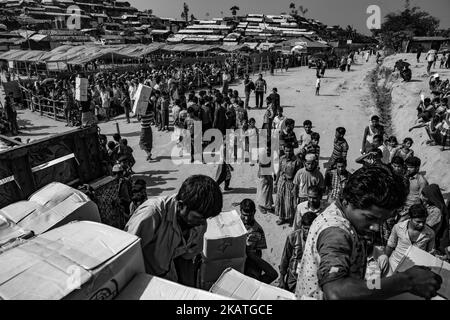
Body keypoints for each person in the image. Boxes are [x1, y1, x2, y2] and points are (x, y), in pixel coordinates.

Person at [295, 165, 442, 300]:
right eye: (370, 218)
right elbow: (336, 291)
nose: (376, 228)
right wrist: (405, 281)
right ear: (347, 201)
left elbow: (359, 284)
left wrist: (389, 283)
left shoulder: (344, 215)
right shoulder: (336, 233)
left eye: (382, 221)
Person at [125, 175, 223, 286]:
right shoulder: (151, 215)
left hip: (168, 278)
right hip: (141, 283)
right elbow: (124, 259)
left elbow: (186, 260)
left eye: (206, 218)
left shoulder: (198, 224)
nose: (203, 223)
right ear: (181, 205)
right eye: (198, 217)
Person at [385, 204, 436, 275]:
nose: (421, 224)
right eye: (418, 222)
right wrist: (384, 261)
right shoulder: (398, 227)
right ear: (410, 217)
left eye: (423, 222)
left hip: (415, 269)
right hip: (394, 264)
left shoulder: (430, 233)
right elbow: (390, 246)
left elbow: (430, 253)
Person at [240, 199, 278, 284]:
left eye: (250, 215)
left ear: (254, 212)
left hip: (250, 262)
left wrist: (249, 253)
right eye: (244, 215)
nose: (246, 218)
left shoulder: (258, 230)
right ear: (240, 211)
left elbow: (258, 252)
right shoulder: (234, 223)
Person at [279, 211, 317, 293]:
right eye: (305, 228)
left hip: (310, 280)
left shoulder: (319, 240)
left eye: (310, 229)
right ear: (301, 226)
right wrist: (281, 278)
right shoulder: (293, 237)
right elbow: (285, 258)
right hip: (293, 278)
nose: (308, 232)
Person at [274, 144, 303, 226]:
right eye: (286, 151)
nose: (288, 152)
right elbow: (279, 171)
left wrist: (295, 187)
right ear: (284, 150)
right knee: (280, 199)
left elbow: (298, 175)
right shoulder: (282, 158)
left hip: (291, 183)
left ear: (293, 150)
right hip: (281, 182)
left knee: (290, 201)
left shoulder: (297, 161)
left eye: (290, 151)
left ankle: (291, 218)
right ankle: (281, 217)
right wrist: (275, 183)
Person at [398, 156, 429, 222]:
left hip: (412, 209)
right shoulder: (404, 176)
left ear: (417, 168)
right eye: (407, 167)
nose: (408, 169)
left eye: (411, 167)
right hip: (401, 206)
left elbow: (422, 199)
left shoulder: (421, 181)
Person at [421, 184, 450, 253]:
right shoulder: (430, 206)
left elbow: (427, 228)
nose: (422, 197)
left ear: (430, 196)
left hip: (435, 244)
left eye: (424, 196)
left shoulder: (437, 211)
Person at [112, 163, 132, 228]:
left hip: (126, 202)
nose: (117, 175)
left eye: (119, 173)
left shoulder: (126, 180)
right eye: (115, 173)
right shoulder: (112, 183)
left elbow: (130, 190)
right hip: (118, 204)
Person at [256, 149, 275, 214]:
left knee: (268, 192)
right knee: (264, 192)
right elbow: (262, 167)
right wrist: (267, 178)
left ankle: (268, 205)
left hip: (267, 175)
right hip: (264, 176)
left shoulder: (269, 155)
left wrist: (273, 173)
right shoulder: (263, 155)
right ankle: (261, 206)